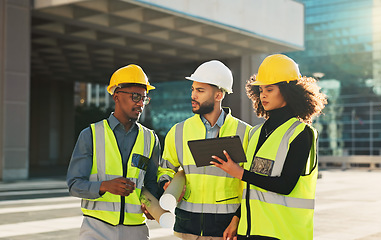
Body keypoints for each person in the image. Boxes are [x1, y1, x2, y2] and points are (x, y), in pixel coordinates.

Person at [211, 54, 327, 240]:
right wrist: (236, 219)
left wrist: (238, 172)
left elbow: (286, 185)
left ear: (288, 92)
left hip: (285, 234)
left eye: (270, 89)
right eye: (261, 90)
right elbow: (252, 187)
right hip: (250, 232)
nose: (263, 94)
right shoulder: (255, 133)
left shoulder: (301, 133)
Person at [157, 60, 252, 240]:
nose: (193, 95)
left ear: (218, 95)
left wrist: (238, 219)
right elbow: (165, 169)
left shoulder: (245, 133)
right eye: (192, 89)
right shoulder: (178, 131)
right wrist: (166, 183)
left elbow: (251, 184)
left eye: (200, 91)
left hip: (226, 230)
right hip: (188, 227)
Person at [66, 64, 162, 240]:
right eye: (135, 96)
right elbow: (74, 184)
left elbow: (151, 184)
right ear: (116, 96)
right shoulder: (91, 135)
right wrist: (105, 186)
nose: (140, 103)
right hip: (96, 228)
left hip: (136, 230)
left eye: (144, 98)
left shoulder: (150, 139)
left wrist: (153, 206)